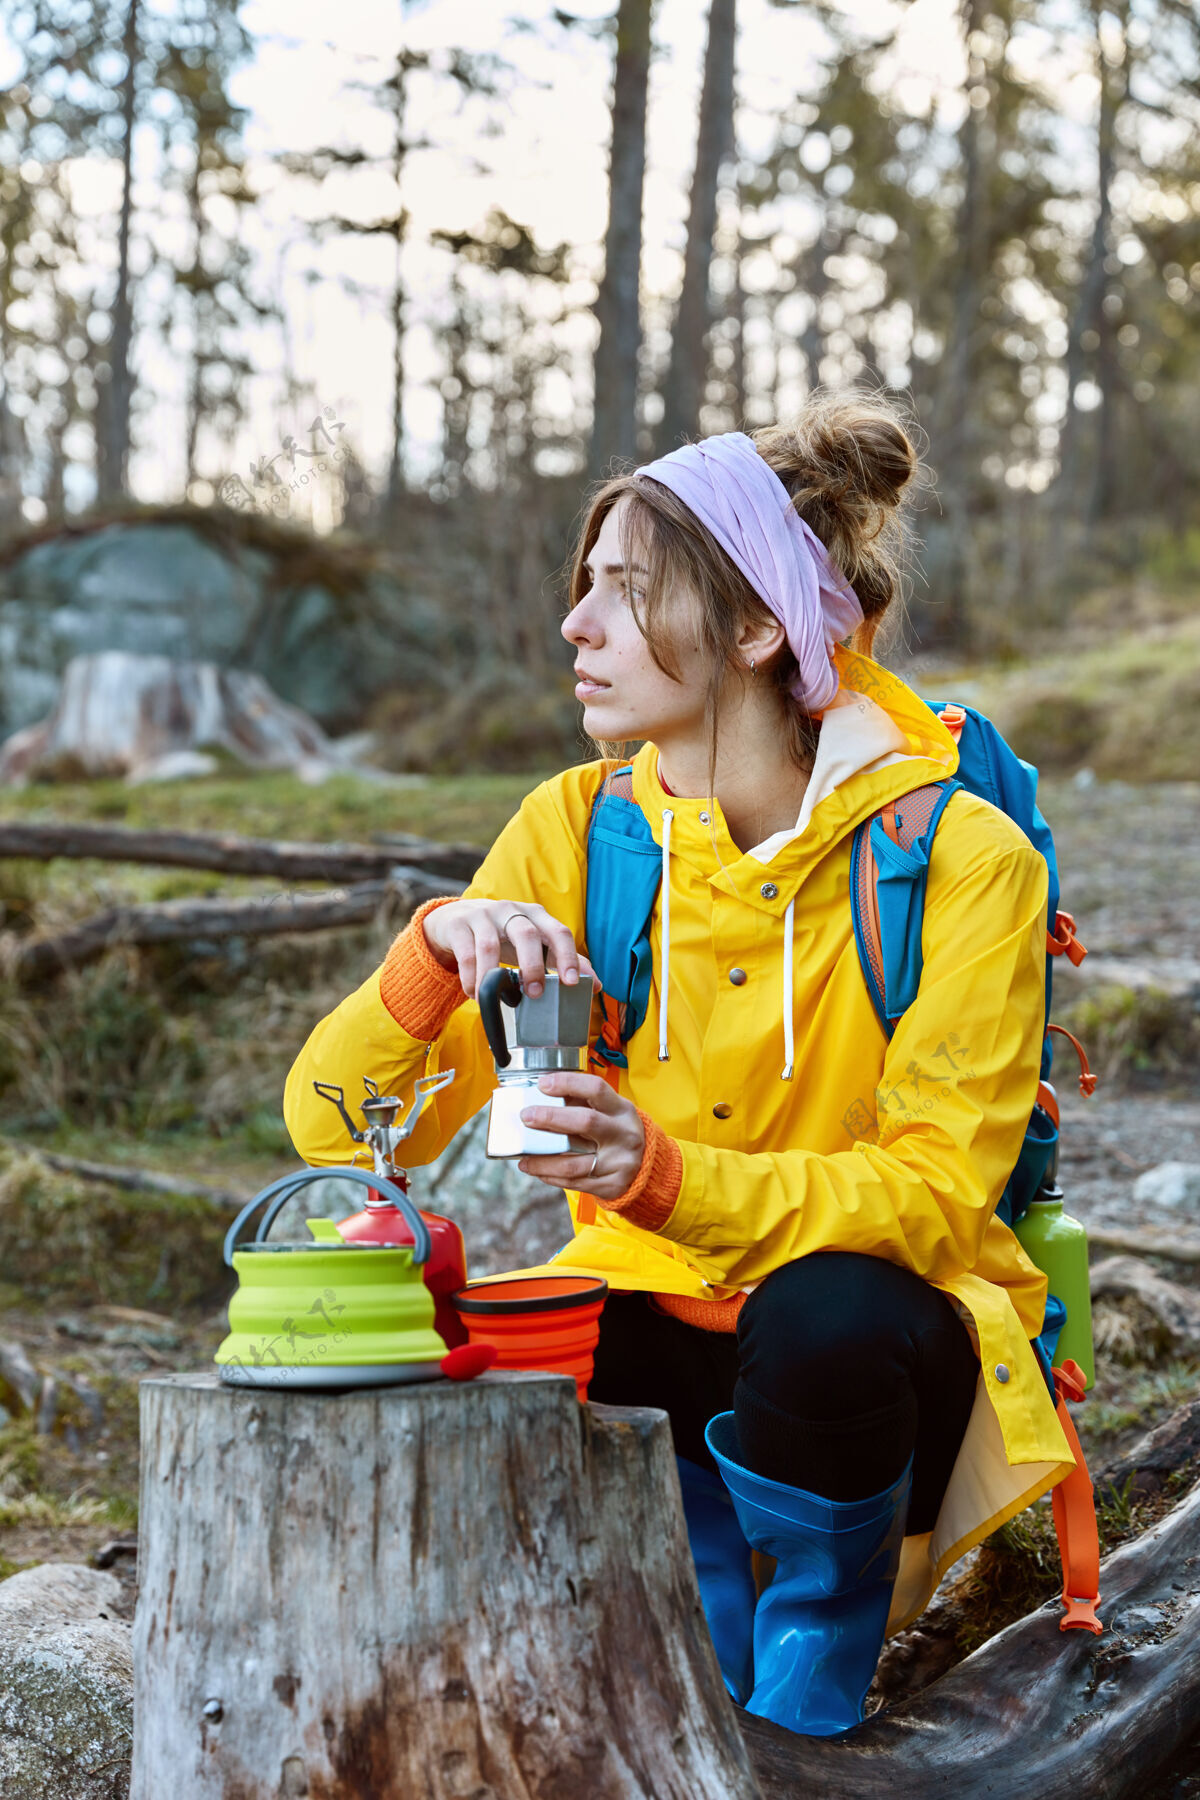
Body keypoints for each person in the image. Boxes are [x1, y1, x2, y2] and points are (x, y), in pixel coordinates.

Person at [282, 392, 1075, 1738]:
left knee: (824, 1315)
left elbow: (938, 1195)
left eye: (625, 590)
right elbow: (333, 1131)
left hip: (884, 1356)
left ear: (759, 628)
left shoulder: (957, 861)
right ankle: (686, 1664)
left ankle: (808, 1683)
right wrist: (430, 959)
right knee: (488, 1339)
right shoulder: (577, 830)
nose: (575, 627)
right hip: (650, 1324)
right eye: (581, 587)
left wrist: (662, 1175)